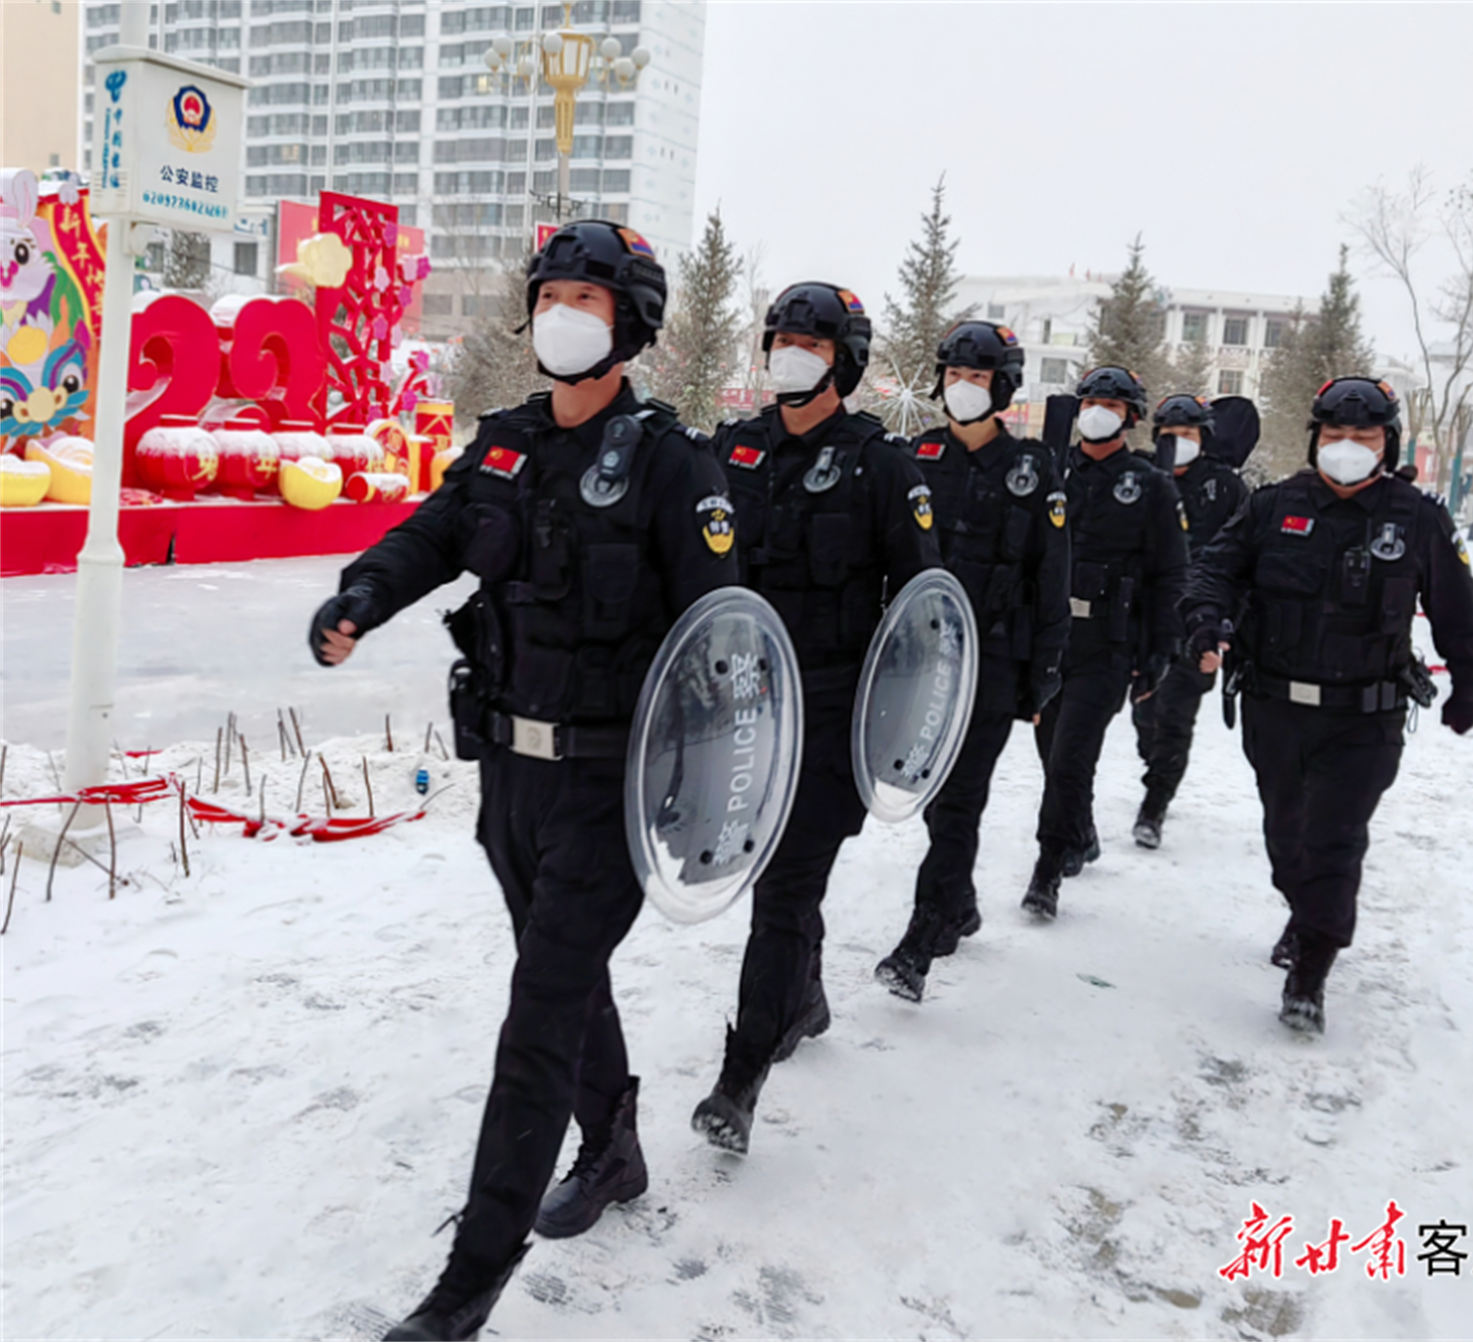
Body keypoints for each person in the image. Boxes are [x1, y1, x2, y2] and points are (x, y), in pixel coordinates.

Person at [309, 220, 740, 1341]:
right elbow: (431, 534)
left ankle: (468, 1282)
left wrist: (705, 801)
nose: (563, 316)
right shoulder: (504, 444)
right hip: (510, 777)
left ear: (629, 324)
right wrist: (359, 596)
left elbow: (723, 645)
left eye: (587, 303)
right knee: (560, 972)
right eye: (552, 295)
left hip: (612, 786)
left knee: (538, 1014)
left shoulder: (671, 462)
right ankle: (614, 1144)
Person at [693, 281, 940, 1153]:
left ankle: (742, 1075)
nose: (791, 353)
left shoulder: (882, 468)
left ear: (846, 362)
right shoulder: (733, 451)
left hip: (830, 718)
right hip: (739, 714)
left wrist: (898, 740)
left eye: (813, 343)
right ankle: (801, 997)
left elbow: (921, 620)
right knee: (774, 883)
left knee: (786, 891)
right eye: (783, 338)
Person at [1180, 377, 1473, 1035]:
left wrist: (1470, 682)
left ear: (1387, 443)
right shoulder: (1273, 506)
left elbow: (1458, 608)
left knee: (1334, 839)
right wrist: (1205, 620)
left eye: (1363, 437)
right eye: (1334, 436)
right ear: (1315, 439)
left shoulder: (1418, 518)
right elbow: (1215, 568)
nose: (1347, 448)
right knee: (1285, 839)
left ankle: (1312, 972)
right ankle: (1306, 914)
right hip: (1275, 707)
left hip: (1365, 717)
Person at [873, 321, 1070, 1003]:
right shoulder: (913, 457)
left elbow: (1052, 577)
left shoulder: (1034, 469)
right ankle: (958, 907)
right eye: (955, 376)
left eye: (978, 378)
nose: (962, 389)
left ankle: (921, 940)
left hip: (994, 664)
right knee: (933, 801)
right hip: (920, 663)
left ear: (1004, 388)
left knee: (959, 805)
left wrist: (1045, 672)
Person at [1023, 366, 1189, 918]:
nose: (1097, 413)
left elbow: (1170, 575)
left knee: (1072, 755)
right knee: (1052, 758)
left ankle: (1046, 871)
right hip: (1049, 640)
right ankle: (1081, 830)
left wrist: (1160, 652)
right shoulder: (1049, 473)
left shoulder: (1151, 486)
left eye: (1111, 406)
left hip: (1107, 644)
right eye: (1090, 402)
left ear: (1131, 418)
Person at [1129, 393, 1249, 849]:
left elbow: (1244, 561)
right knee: (1146, 716)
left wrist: (1227, 630)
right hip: (1143, 617)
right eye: (1169, 435)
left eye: (1188, 435)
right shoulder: (1142, 478)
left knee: (1175, 716)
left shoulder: (1226, 488)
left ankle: (1154, 805)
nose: (1177, 442)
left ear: (1204, 438)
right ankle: (1154, 762)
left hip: (1199, 621)